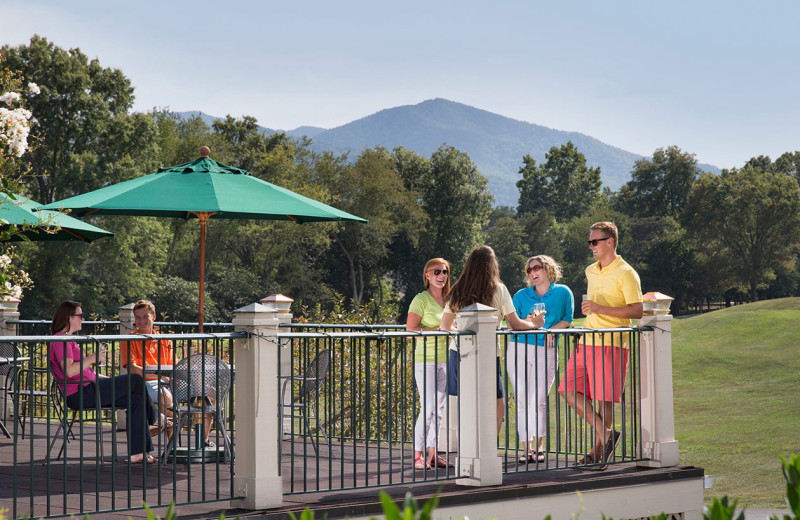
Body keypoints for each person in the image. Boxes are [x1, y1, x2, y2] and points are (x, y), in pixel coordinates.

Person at [558, 221, 643, 469]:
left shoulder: (627, 273)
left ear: (610, 242)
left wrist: (598, 309)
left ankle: (598, 455)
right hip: (587, 341)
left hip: (612, 343)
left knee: (604, 399)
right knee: (568, 390)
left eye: (595, 241)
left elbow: (637, 311)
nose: (591, 246)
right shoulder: (590, 271)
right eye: (589, 242)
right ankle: (606, 435)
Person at [440, 245, 545, 434]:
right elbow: (516, 323)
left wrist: (463, 330)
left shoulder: (457, 289)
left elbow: (445, 326)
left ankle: (467, 449)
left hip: (459, 353)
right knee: (497, 405)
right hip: (488, 355)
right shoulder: (499, 289)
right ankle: (488, 449)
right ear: (492, 265)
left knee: (463, 402)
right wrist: (535, 323)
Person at [48, 300, 159, 464]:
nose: (83, 319)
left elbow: (88, 375)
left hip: (89, 388)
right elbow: (70, 371)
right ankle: (156, 418)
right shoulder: (60, 340)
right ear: (68, 318)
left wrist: (114, 382)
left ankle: (139, 453)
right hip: (80, 394)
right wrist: (92, 358)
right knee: (135, 379)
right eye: (79, 315)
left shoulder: (68, 340)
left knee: (136, 399)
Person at [507, 255, 574, 463]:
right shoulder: (520, 295)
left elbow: (567, 319)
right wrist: (528, 322)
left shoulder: (563, 292)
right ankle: (526, 449)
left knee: (539, 400)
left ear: (547, 269)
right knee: (522, 400)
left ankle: (539, 447)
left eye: (536, 267)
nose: (532, 272)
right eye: (529, 270)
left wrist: (551, 330)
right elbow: (511, 325)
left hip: (546, 349)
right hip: (518, 348)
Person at [406, 258, 453, 470]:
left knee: (440, 409)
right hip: (425, 361)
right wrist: (439, 332)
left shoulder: (450, 299)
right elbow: (410, 331)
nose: (441, 276)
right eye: (437, 272)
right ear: (427, 275)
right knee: (428, 409)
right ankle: (418, 455)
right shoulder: (420, 299)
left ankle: (433, 455)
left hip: (446, 359)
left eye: (444, 272)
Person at [119, 300, 177, 440]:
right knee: (166, 396)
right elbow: (133, 369)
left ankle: (204, 442)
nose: (141, 320)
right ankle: (172, 448)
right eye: (138, 317)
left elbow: (174, 367)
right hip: (144, 383)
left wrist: (172, 379)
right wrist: (160, 375)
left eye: (145, 316)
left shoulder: (165, 340)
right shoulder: (129, 339)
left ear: (154, 316)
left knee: (208, 395)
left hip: (166, 382)